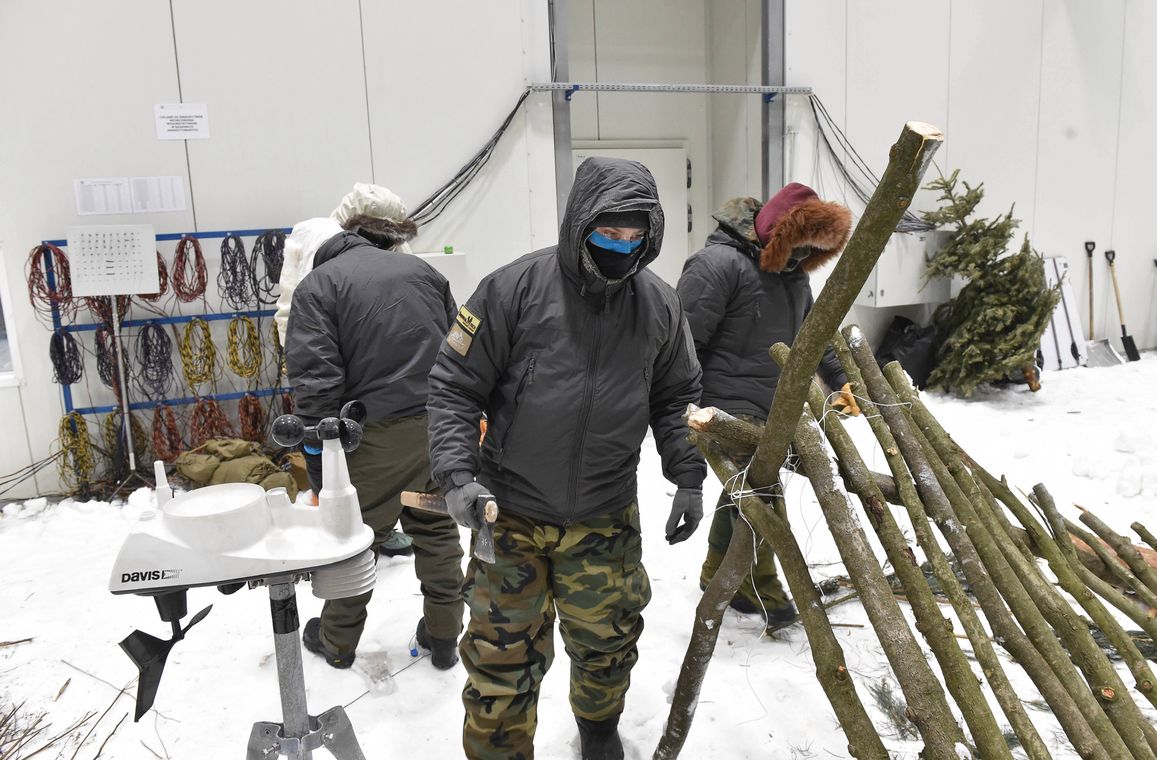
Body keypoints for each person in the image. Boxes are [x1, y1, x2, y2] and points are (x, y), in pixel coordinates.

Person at [427, 157, 706, 760]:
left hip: (605, 516)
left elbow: (676, 396)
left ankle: (600, 729)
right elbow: (453, 385)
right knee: (502, 660)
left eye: (636, 237)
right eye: (609, 233)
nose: (621, 247)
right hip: (510, 514)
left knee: (607, 644)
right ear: (580, 224)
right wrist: (457, 477)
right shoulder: (512, 289)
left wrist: (687, 475)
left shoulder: (658, 304)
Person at [283, 184, 465, 671]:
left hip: (374, 439)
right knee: (436, 526)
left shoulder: (318, 288)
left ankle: (338, 641)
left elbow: (316, 385)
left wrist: (322, 467)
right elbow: (459, 350)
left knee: (356, 537)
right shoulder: (423, 271)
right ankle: (445, 635)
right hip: (438, 429)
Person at [676, 182, 856, 628]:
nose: (800, 258)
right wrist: (680, 408)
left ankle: (718, 574)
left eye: (810, 251)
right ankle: (766, 591)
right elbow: (680, 344)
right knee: (761, 492)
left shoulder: (794, 281)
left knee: (746, 491)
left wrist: (841, 380)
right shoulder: (718, 266)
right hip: (719, 407)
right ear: (776, 232)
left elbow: (813, 337)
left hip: (771, 404)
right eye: (795, 246)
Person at [276, 185, 416, 558]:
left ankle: (374, 527)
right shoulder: (317, 258)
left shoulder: (398, 258)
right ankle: (356, 535)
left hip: (391, 397)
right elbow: (295, 323)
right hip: (342, 388)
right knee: (347, 474)